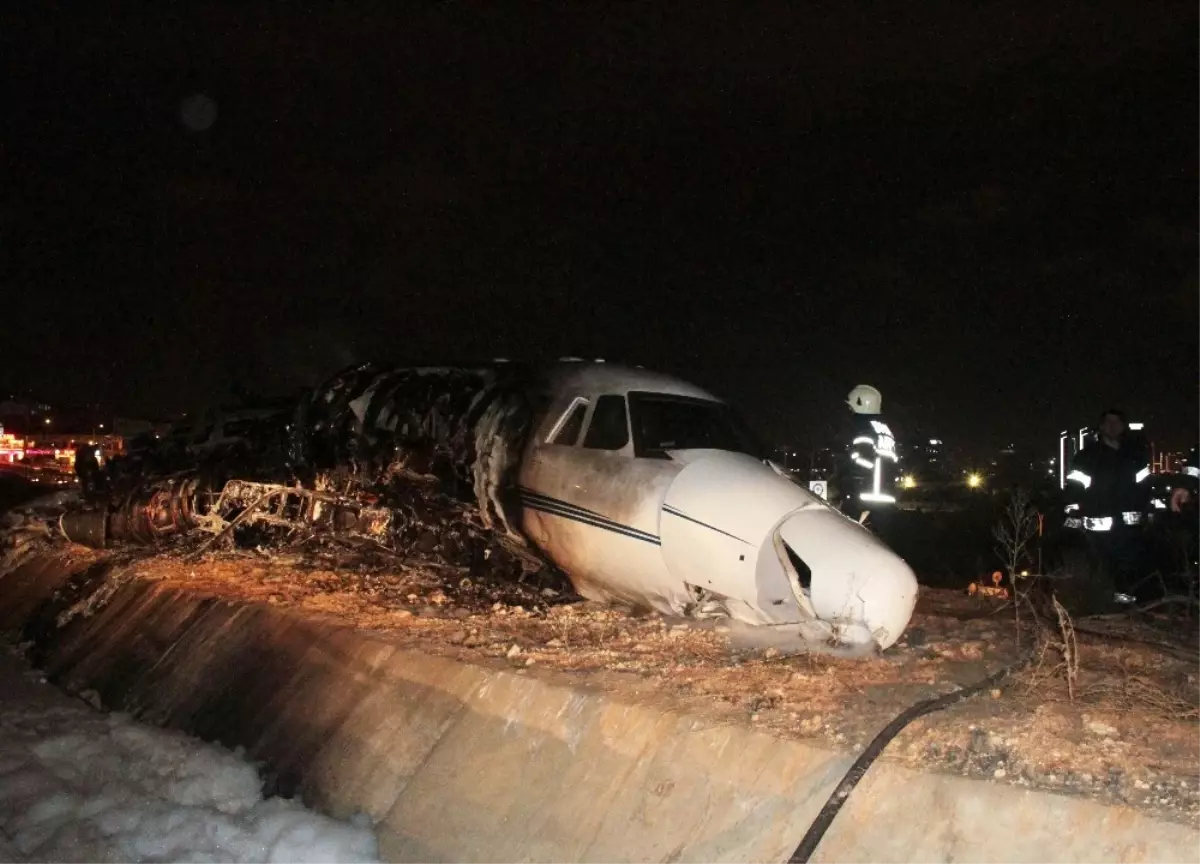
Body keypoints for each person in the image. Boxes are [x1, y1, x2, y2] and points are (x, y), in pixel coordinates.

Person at [1065, 408, 1152, 603]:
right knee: (1102, 572)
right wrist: (1076, 518)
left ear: (1123, 427)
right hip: (1097, 533)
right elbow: (1074, 490)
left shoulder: (1135, 456)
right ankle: (1103, 607)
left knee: (1130, 572)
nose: (1112, 427)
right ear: (1101, 427)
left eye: (1117, 422)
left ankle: (1128, 607)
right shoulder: (1087, 456)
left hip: (1130, 530)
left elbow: (1145, 489)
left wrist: (1145, 514)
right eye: (1108, 423)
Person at [830, 384, 898, 518]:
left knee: (847, 528)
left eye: (850, 408)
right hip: (885, 496)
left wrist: (844, 465)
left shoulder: (864, 428)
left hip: (865, 496)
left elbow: (863, 460)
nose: (849, 411)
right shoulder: (884, 429)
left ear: (860, 404)